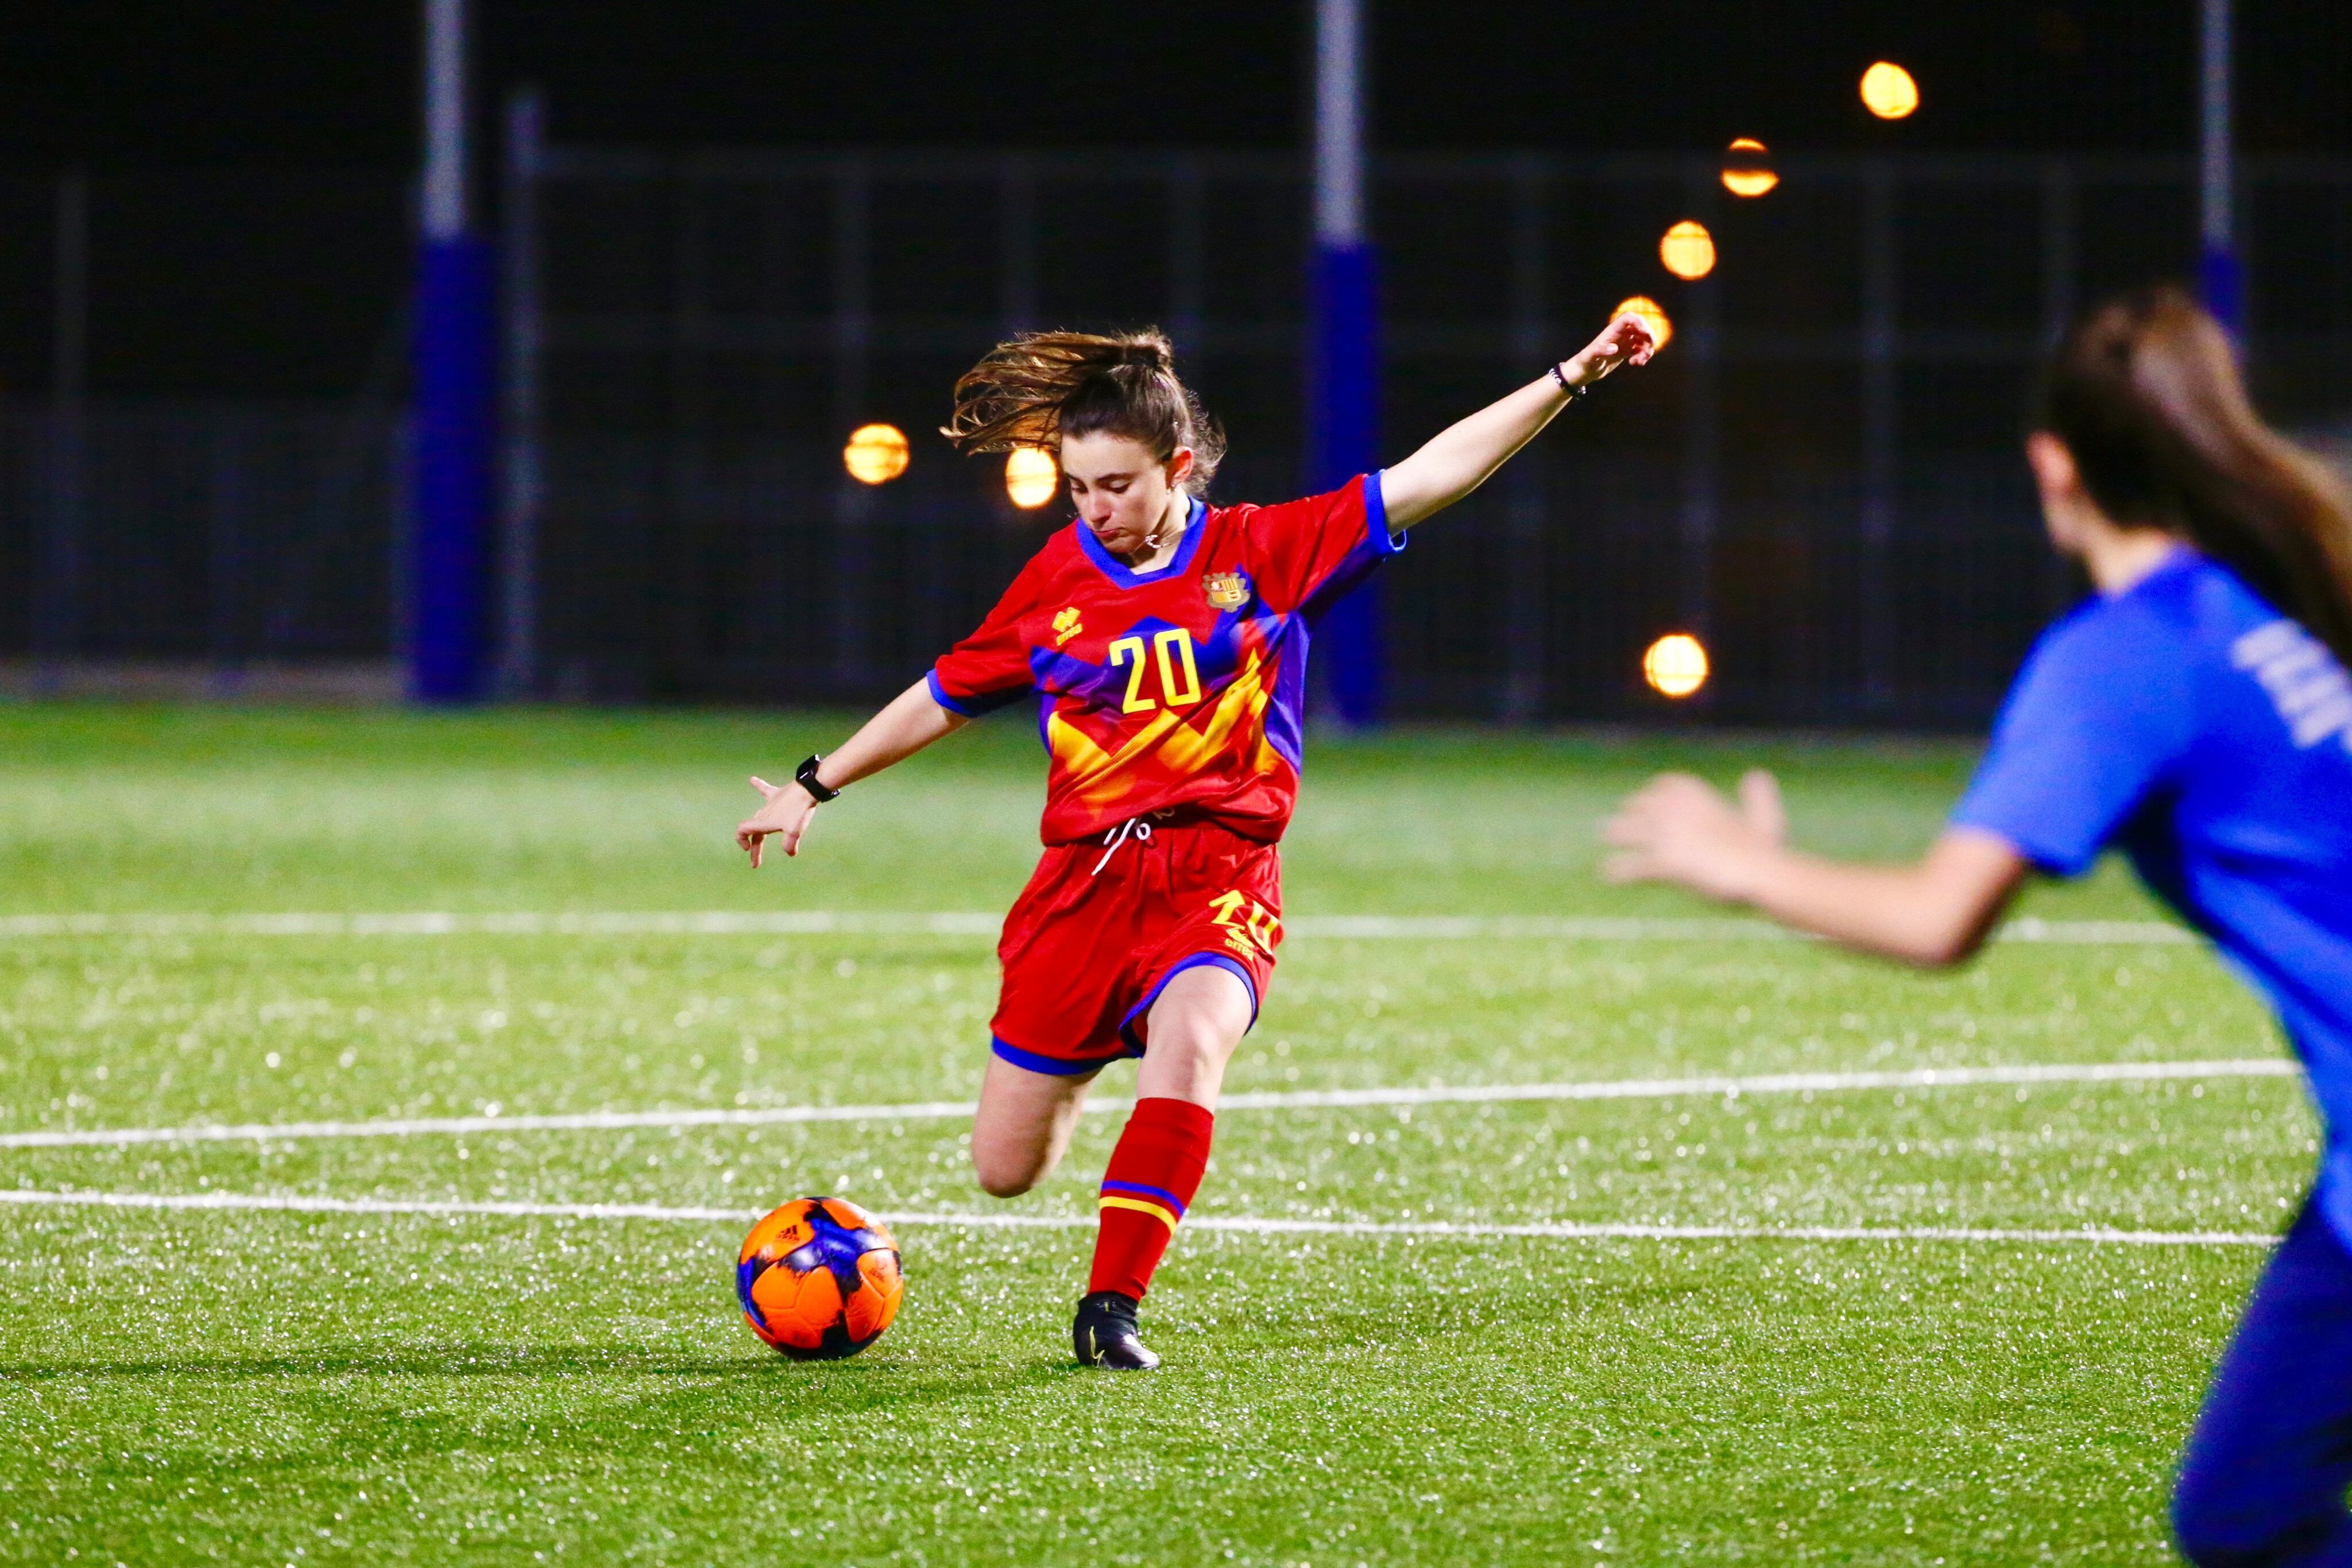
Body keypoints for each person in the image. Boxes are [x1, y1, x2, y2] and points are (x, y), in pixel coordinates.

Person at [737, 313, 1654, 1368]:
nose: (1096, 509)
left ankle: (1111, 1308)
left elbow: (1429, 475)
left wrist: (1570, 376)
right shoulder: (1057, 581)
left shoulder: (1261, 551)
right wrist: (816, 784)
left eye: (1116, 486)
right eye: (1078, 488)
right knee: (1003, 1168)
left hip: (1219, 876)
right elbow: (946, 693)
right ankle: (1088, 1061)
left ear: (1176, 467)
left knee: (1194, 1040)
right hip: (1082, 891)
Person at [1603, 286, 2352, 1567]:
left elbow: (1938, 918)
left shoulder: (2122, 658)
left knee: (2242, 1519)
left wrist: (1740, 868)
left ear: (2050, 464)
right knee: (2242, 1509)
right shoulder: (2254, 615)